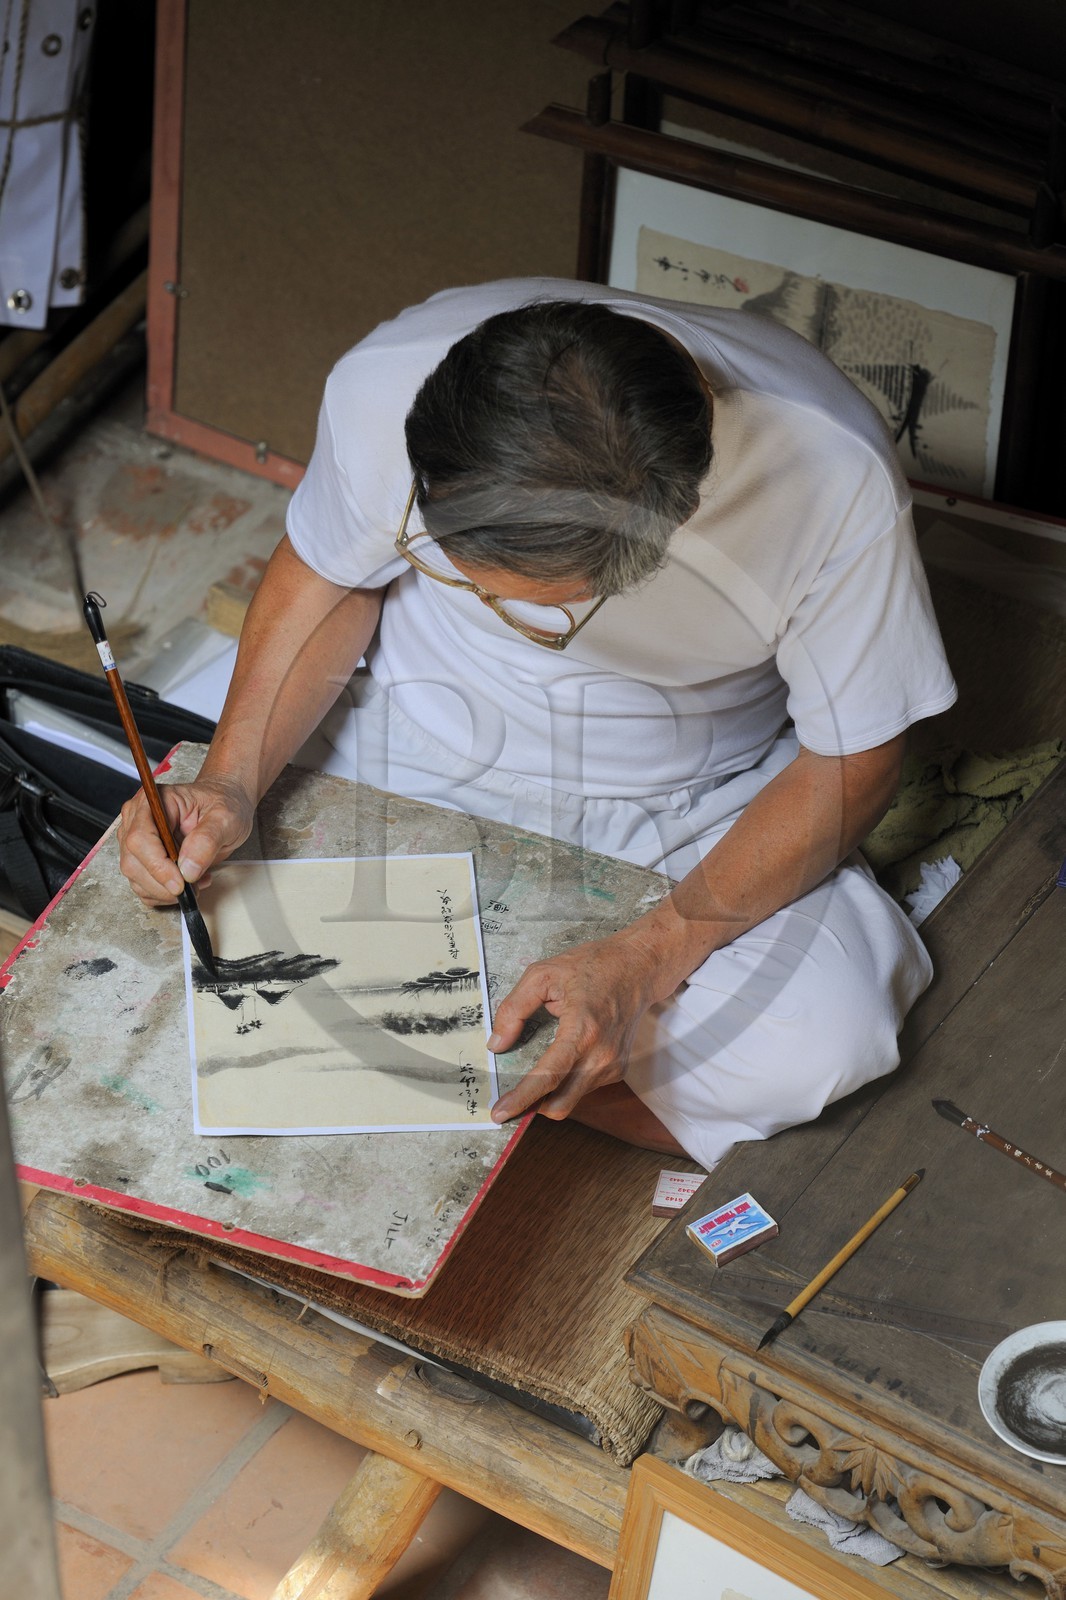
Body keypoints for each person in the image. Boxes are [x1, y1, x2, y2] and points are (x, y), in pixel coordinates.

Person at [118, 279, 957, 1171]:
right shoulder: (388, 377)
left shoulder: (832, 473)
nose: (483, 604)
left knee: (819, 1036)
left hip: (690, 789)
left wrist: (652, 954)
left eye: (526, 605)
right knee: (200, 932)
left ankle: (454, 1080)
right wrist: (231, 777)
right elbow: (331, 576)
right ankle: (528, 1082)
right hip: (418, 740)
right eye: (464, 577)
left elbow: (854, 760)